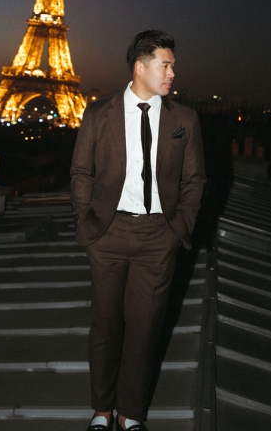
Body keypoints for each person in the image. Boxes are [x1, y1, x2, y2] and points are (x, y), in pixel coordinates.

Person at [70, 30, 206, 431]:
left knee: (145, 332)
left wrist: (178, 226)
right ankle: (101, 411)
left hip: (156, 238)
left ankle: (130, 416)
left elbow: (194, 180)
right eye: (165, 65)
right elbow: (81, 172)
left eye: (173, 66)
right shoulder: (98, 114)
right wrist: (86, 221)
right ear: (140, 67)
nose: (171, 74)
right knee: (106, 325)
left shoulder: (185, 119)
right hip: (108, 234)